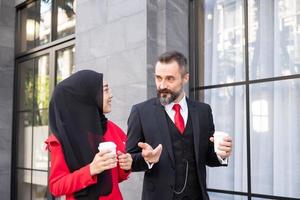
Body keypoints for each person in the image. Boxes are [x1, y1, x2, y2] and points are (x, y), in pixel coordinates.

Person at [126, 51, 233, 200]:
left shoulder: (203, 111)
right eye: (158, 78)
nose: (162, 85)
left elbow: (209, 157)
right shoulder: (140, 112)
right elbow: (129, 160)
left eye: (170, 79)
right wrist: (146, 159)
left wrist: (221, 154)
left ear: (185, 78)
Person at [45, 70, 132, 200]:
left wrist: (126, 166)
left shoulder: (111, 128)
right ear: (87, 96)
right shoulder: (61, 140)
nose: (111, 95)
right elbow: (56, 187)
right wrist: (91, 170)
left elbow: (116, 178)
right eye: (105, 90)